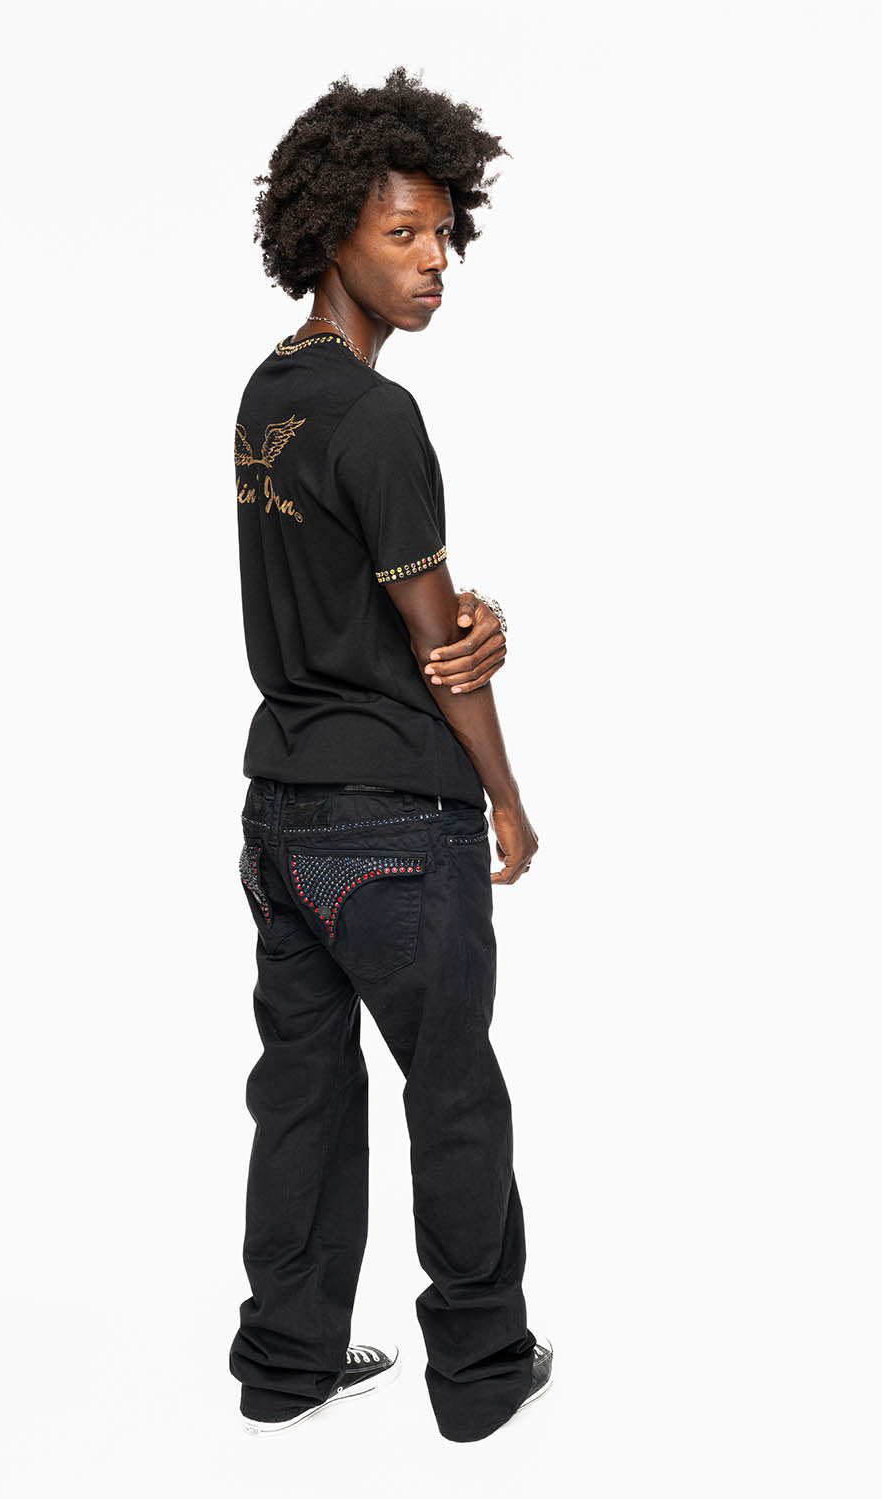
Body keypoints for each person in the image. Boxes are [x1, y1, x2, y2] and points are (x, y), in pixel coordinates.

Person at [229, 66, 553, 1443]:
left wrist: (459, 615)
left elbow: (370, 599)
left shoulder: (269, 396)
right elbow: (437, 651)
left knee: (303, 1091)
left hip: (282, 816)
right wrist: (506, 795)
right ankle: (480, 1373)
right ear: (328, 236)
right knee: (455, 1090)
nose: (434, 262)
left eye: (441, 235)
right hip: (396, 827)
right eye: (403, 234)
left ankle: (283, 1362)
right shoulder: (380, 416)